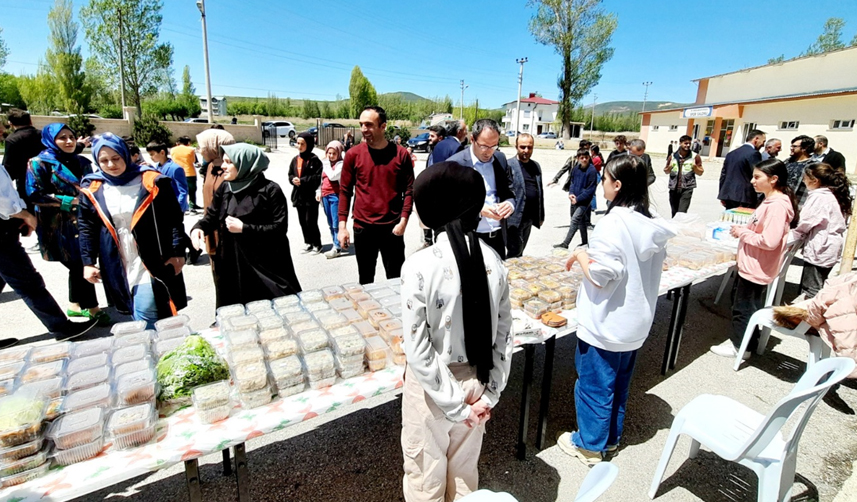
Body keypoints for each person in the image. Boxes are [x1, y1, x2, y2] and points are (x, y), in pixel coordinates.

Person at [400, 161, 512, 501]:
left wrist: (455, 406)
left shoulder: (419, 266)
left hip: (432, 390)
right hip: (477, 382)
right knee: (464, 474)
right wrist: (489, 394)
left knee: (425, 477)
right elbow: (505, 338)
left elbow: (418, 349)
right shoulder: (494, 261)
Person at [556, 154, 675, 465]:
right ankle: (611, 438)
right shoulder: (649, 222)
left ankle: (589, 445)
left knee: (594, 385)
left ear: (617, 185)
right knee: (618, 384)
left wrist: (581, 255)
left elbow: (601, 275)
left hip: (606, 324)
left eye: (605, 178)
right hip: (634, 322)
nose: (601, 184)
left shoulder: (613, 223)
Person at [79, 134, 188, 329]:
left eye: (116, 158)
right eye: (104, 160)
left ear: (125, 155)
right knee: (134, 307)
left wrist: (177, 250)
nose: (111, 164)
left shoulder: (152, 180)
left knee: (147, 309)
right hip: (117, 256)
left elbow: (173, 218)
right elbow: (87, 226)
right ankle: (163, 347)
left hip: (150, 255)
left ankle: (154, 347)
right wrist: (88, 262)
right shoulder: (93, 187)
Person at [191, 143, 302, 308]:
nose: (223, 166)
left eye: (229, 162)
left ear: (245, 164)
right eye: (224, 161)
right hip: (231, 264)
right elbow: (212, 215)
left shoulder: (270, 191)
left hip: (265, 266)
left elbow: (279, 229)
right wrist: (199, 227)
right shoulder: (226, 188)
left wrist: (245, 228)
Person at [710, 159, 798, 360]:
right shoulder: (771, 201)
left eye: (757, 177)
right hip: (754, 262)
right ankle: (748, 341)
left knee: (743, 307)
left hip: (757, 265)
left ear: (774, 179)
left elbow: (769, 241)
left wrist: (743, 233)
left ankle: (740, 347)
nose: (752, 181)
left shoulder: (777, 206)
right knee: (748, 305)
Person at [0, 163, 98, 345]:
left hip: (7, 225)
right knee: (28, 282)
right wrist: (25, 215)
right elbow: (2, 200)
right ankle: (60, 327)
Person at [26, 123, 109, 325]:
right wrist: (66, 201)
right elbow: (34, 193)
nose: (69, 141)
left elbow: (94, 185)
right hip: (57, 226)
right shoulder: (39, 162)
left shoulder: (82, 161)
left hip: (83, 221)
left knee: (80, 262)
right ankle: (93, 307)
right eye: (62, 137)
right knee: (79, 263)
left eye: (71, 136)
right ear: (50, 140)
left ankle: (74, 304)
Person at [338, 106, 414, 284]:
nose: (364, 129)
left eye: (369, 125)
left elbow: (410, 190)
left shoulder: (401, 155)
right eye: (361, 124)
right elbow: (345, 191)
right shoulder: (353, 155)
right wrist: (342, 227)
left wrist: (403, 220)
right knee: (365, 279)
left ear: (383, 126)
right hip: (363, 228)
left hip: (392, 228)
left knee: (396, 279)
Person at [448, 119, 516, 259]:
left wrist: (509, 204)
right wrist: (479, 211)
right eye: (484, 146)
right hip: (469, 238)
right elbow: (448, 205)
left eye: (494, 146)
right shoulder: (455, 164)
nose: (489, 152)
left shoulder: (500, 159)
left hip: (497, 238)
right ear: (472, 139)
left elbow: (510, 192)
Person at [790, 163, 851, 298]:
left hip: (821, 246)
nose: (804, 180)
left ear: (814, 180)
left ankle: (809, 316)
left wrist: (793, 234)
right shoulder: (833, 194)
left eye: (805, 178)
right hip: (830, 245)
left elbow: (806, 221)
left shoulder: (819, 196)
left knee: (811, 289)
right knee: (817, 283)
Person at [196, 129, 235, 309]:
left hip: (229, 233)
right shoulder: (211, 167)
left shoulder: (233, 171)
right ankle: (221, 312)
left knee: (230, 277)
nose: (200, 150)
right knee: (217, 275)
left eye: (202, 146)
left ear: (214, 146)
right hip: (211, 229)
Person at [507, 133, 545, 257]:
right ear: (516, 147)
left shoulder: (536, 166)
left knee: (521, 250)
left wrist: (541, 215)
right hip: (514, 219)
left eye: (529, 147)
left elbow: (540, 191)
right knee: (515, 252)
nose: (526, 150)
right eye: (522, 147)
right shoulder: (509, 165)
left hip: (529, 218)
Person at [553, 148, 597, 249]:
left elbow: (591, 190)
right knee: (580, 220)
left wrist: (578, 199)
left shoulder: (592, 170)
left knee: (574, 220)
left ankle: (565, 244)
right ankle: (585, 242)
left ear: (589, 157)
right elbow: (572, 182)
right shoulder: (576, 169)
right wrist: (571, 193)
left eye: (586, 157)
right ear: (578, 158)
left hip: (584, 201)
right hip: (574, 198)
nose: (584, 159)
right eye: (582, 158)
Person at [288, 132, 323, 254]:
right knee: (302, 221)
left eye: (302, 144)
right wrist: (293, 180)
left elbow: (317, 178)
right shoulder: (295, 160)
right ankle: (308, 242)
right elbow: (290, 174)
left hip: (310, 197)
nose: (299, 146)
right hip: (299, 196)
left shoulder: (314, 160)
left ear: (309, 144)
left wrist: (302, 181)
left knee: (310, 221)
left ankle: (317, 244)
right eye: (298, 143)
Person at [718, 129, 766, 209]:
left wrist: (722, 194)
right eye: (763, 141)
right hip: (744, 197)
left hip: (729, 195)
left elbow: (723, 175)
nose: (763, 145)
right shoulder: (753, 154)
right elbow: (757, 174)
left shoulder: (731, 153)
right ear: (756, 139)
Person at [664, 135, 704, 216]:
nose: (688, 145)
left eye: (689, 143)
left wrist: (695, 167)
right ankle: (674, 228)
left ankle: (680, 227)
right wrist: (669, 168)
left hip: (687, 188)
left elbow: (700, 172)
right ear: (680, 143)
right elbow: (666, 171)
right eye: (686, 143)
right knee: (674, 212)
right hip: (673, 188)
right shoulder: (672, 156)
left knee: (682, 213)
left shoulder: (695, 156)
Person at [318, 140, 344, 259]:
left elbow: (333, 176)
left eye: (334, 153)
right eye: (329, 153)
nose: (331, 156)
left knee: (336, 223)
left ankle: (337, 247)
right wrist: (318, 192)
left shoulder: (340, 165)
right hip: (325, 195)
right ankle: (337, 242)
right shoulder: (326, 164)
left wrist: (326, 164)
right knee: (330, 222)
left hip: (335, 195)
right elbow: (321, 179)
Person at [146, 141, 189, 213]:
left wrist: (178, 208)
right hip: (162, 206)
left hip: (174, 207)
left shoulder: (175, 168)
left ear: (162, 153)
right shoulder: (156, 167)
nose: (151, 157)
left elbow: (183, 191)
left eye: (152, 154)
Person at [171, 136, 200, 212]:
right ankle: (192, 206)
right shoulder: (190, 150)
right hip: (189, 172)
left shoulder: (173, 150)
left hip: (177, 172)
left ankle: (182, 206)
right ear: (188, 143)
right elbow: (193, 160)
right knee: (192, 190)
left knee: (180, 190)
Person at [785, 135, 815, 206]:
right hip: (783, 201)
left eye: (794, 146)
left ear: (804, 148)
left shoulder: (813, 166)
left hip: (799, 202)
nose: (791, 148)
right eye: (791, 146)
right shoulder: (786, 162)